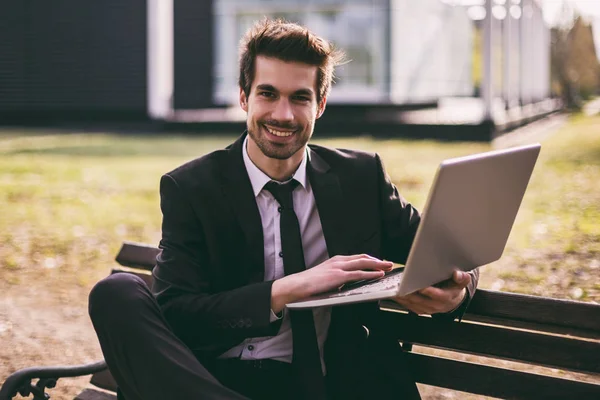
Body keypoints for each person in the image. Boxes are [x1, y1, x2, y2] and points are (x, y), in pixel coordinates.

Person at [89, 19, 479, 400]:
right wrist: (281, 292)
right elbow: (179, 315)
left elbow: (454, 250)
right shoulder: (192, 189)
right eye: (268, 94)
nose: (283, 115)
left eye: (300, 97)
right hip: (218, 379)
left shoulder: (360, 178)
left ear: (320, 104)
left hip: (331, 380)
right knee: (115, 293)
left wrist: (457, 294)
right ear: (244, 97)